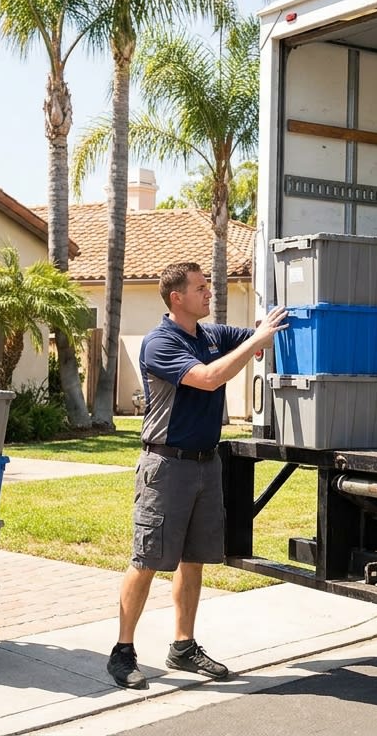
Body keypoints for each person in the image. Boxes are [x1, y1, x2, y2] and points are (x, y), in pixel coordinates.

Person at [106, 262, 288, 689]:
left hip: (207, 464)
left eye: (207, 287)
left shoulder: (210, 335)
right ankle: (122, 651)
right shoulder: (160, 342)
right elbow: (207, 379)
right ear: (177, 298)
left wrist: (270, 330)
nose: (209, 293)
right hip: (166, 467)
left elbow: (258, 336)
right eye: (200, 288)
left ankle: (183, 646)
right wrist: (256, 342)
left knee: (193, 560)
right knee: (147, 559)